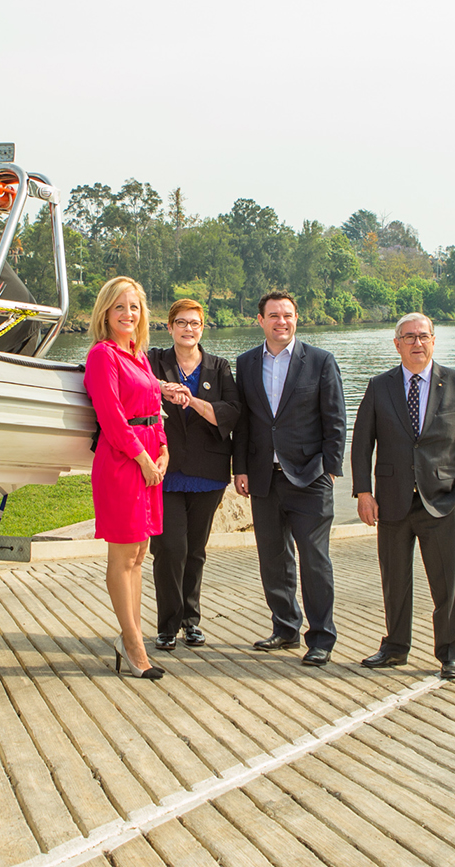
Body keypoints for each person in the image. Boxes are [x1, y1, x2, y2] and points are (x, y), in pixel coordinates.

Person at [351, 313, 455, 680]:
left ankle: (451, 653)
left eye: (423, 336)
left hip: (440, 500)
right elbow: (362, 444)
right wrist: (364, 492)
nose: (416, 343)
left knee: (447, 583)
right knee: (394, 581)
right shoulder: (379, 386)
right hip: (390, 502)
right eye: (408, 337)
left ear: (434, 340)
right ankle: (395, 648)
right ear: (397, 344)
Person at [232, 290, 346, 666]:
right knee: (274, 559)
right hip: (265, 478)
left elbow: (335, 420)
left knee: (315, 561)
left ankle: (321, 638)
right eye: (274, 316)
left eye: (288, 315)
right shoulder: (246, 363)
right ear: (260, 320)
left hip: (310, 477)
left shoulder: (320, 361)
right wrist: (241, 468)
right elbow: (245, 422)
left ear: (297, 318)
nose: (282, 321)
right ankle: (285, 629)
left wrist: (330, 469)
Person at [82, 277, 170, 679]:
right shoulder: (103, 355)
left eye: (133, 307)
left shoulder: (139, 354)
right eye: (120, 307)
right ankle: (134, 644)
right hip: (122, 462)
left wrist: (164, 449)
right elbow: (112, 417)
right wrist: (142, 459)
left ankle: (130, 635)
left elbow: (153, 404)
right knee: (122, 556)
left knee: (139, 554)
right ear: (105, 312)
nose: (128, 314)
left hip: (149, 457)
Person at [147, 298, 240, 651]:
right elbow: (134, 380)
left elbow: (230, 414)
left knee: (196, 550)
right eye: (181, 323)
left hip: (208, 471)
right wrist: (163, 388)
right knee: (170, 548)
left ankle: (191, 621)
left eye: (195, 324)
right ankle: (167, 625)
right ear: (169, 327)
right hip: (164, 469)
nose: (189, 329)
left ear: (203, 328)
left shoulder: (219, 368)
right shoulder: (155, 361)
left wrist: (192, 401)